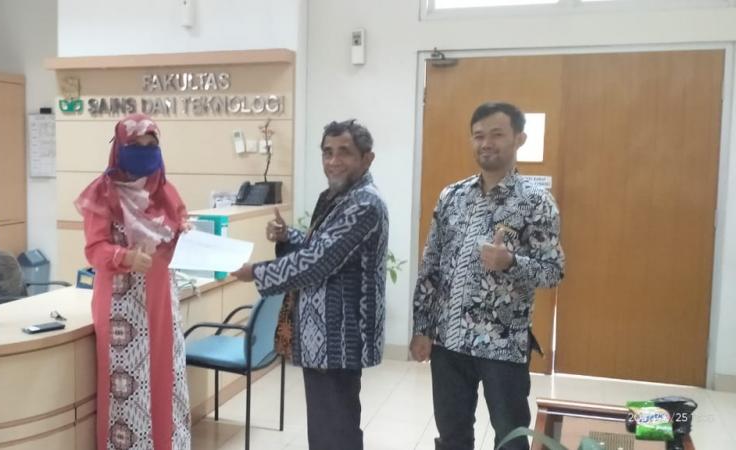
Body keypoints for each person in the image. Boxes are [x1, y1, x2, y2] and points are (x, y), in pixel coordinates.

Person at [410, 102, 565, 450]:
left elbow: (553, 271)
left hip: (503, 344)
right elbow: (431, 265)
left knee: (510, 438)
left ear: (519, 139)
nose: (486, 143)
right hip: (448, 342)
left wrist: (511, 262)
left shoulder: (536, 202)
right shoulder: (452, 196)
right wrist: (422, 328)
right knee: (452, 436)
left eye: (497, 134)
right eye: (479, 136)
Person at [231, 119, 389, 450]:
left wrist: (256, 272)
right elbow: (324, 247)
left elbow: (319, 261)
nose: (333, 161)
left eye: (344, 152)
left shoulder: (364, 203)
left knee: (335, 431)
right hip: (322, 337)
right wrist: (289, 236)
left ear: (367, 158)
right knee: (328, 427)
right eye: (327, 152)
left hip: (339, 338)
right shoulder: (339, 197)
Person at [76, 113, 192, 450]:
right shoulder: (102, 193)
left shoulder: (165, 191)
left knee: (167, 382)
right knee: (127, 391)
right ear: (119, 148)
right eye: (135, 145)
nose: (144, 152)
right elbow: (94, 250)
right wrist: (125, 257)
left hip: (162, 302)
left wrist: (187, 233)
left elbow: (180, 226)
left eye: (151, 144)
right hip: (121, 310)